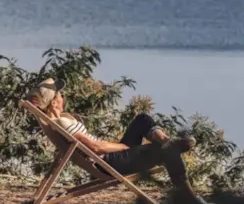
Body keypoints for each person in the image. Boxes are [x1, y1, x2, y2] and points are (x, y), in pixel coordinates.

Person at [26, 78, 206, 204]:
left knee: (142, 120)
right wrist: (122, 146)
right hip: (111, 163)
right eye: (60, 95)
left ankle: (167, 141)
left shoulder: (60, 120)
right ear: (53, 103)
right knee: (167, 152)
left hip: (110, 159)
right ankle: (189, 198)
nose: (63, 97)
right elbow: (95, 147)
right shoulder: (62, 123)